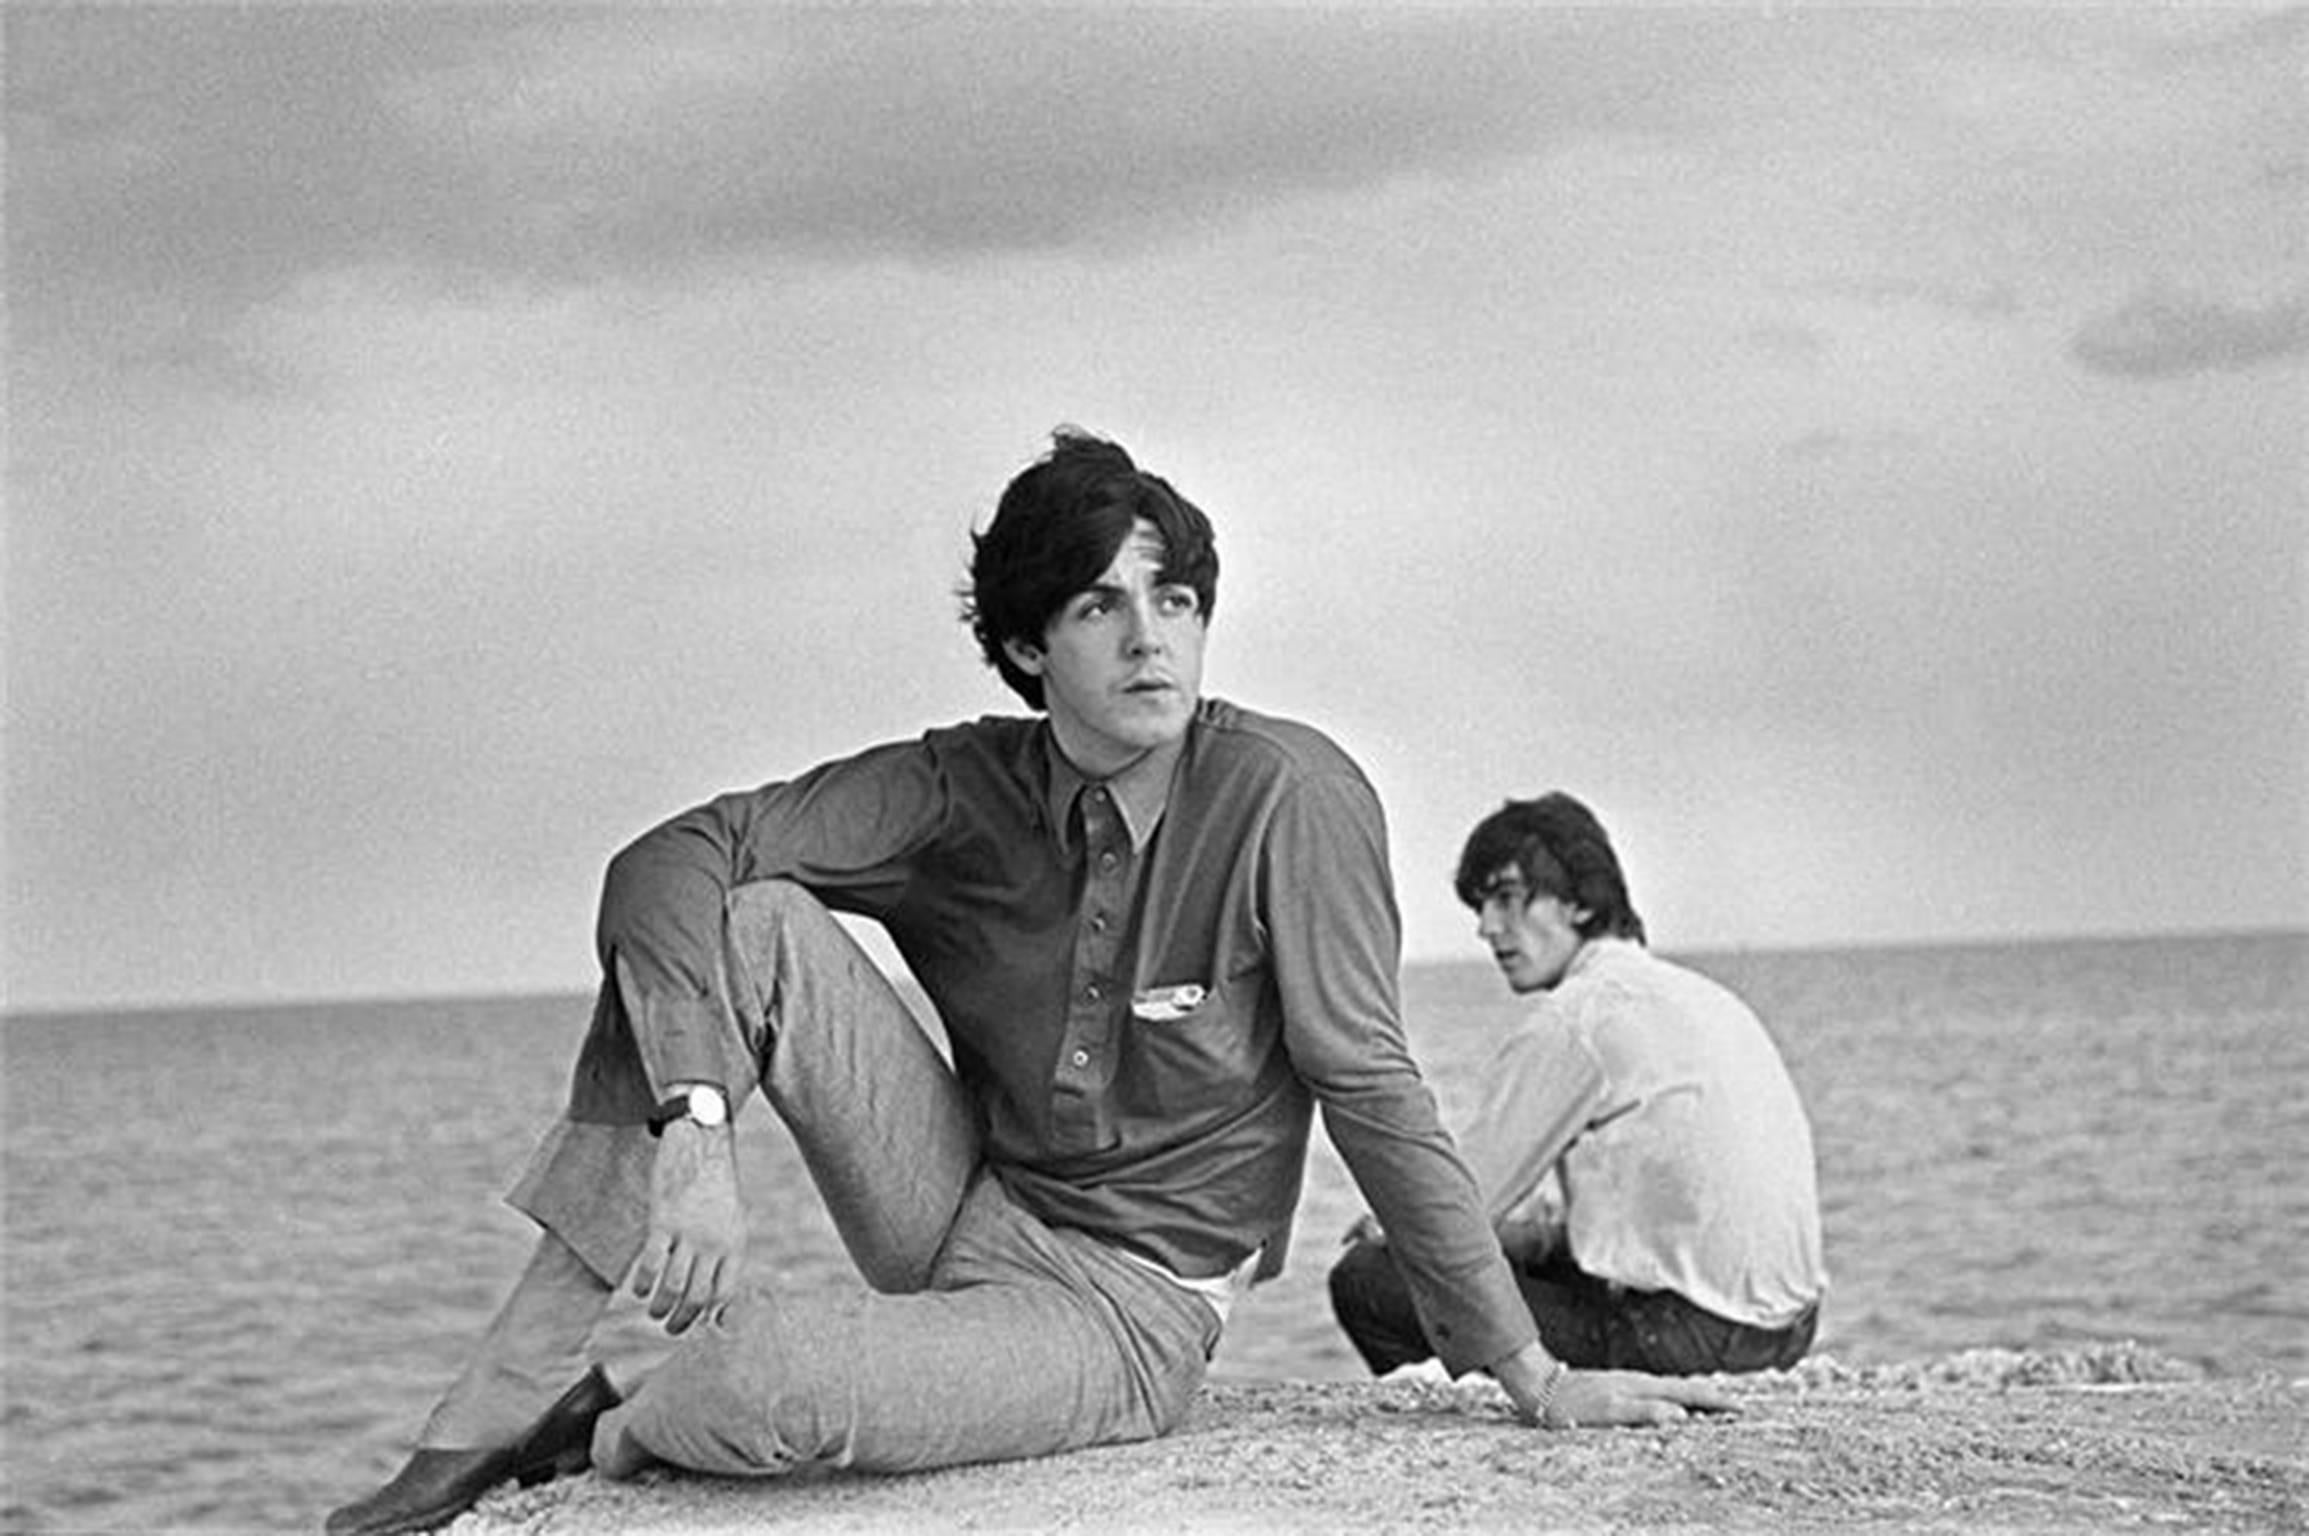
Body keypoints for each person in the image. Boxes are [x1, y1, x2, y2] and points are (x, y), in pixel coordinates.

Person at [326, 433, 1726, 1536]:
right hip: (963, 1203)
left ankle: (609, 1419)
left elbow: (1372, 1091)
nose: (1151, 640)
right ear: (1023, 648)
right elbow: (671, 859)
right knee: (744, 916)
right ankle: (505, 1389)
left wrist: (1526, 1374)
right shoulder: (963, 787)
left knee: (769, 1382)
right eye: (1100, 605)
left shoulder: (1289, 797)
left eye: (1173, 600)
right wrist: (698, 1129)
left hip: (1121, 1314)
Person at [1328, 792, 1827, 1382]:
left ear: (1581, 903)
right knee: (1505, 1250)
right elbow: (1643, 1218)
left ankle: (1460, 1426)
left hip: (1691, 1337)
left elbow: (1456, 1213)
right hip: (1783, 1328)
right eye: (1482, 908)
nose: (1488, 929)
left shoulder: (1580, 1018)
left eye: (1509, 900)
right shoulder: (1694, 996)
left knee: (1370, 1278)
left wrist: (1394, 1225)